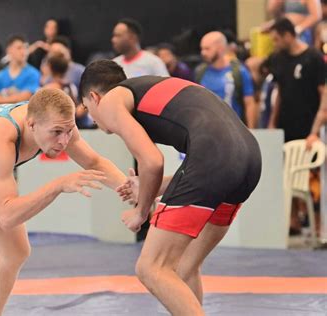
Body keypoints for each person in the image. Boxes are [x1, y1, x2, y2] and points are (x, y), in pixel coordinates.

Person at [79, 60, 262, 315]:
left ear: (94, 97)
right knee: (181, 268)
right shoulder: (147, 90)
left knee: (151, 267)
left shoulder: (111, 101)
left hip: (214, 157)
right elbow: (201, 168)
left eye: (88, 109)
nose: (94, 119)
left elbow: (152, 161)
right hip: (248, 159)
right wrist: (148, 187)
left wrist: (141, 212)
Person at [0, 88, 125, 315]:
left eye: (69, 131)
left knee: (17, 252)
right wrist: (58, 185)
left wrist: (135, 191)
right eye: (57, 133)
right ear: (31, 125)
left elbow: (94, 162)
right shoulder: (1, 137)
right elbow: (7, 216)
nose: (64, 141)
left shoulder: (56, 122)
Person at [0, 35, 40, 106]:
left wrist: (0, 99)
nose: (24, 52)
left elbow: (25, 98)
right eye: (19, 48)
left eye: (26, 48)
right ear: (9, 50)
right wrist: (16, 97)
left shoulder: (33, 73)